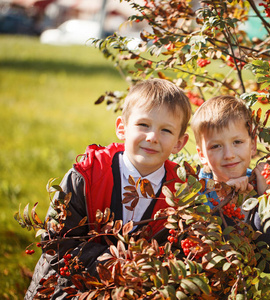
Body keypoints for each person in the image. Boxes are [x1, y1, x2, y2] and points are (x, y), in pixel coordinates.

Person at [25, 79, 192, 299]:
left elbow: (183, 253)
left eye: (166, 130)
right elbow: (57, 244)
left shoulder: (182, 192)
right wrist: (122, 267)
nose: (152, 137)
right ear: (122, 128)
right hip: (68, 287)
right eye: (143, 125)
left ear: (180, 143)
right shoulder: (87, 176)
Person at [190, 95, 270, 270]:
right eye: (216, 146)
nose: (229, 154)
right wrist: (227, 204)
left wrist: (265, 199)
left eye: (237, 142)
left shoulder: (264, 187)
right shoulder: (192, 193)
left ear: (253, 144)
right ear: (202, 155)